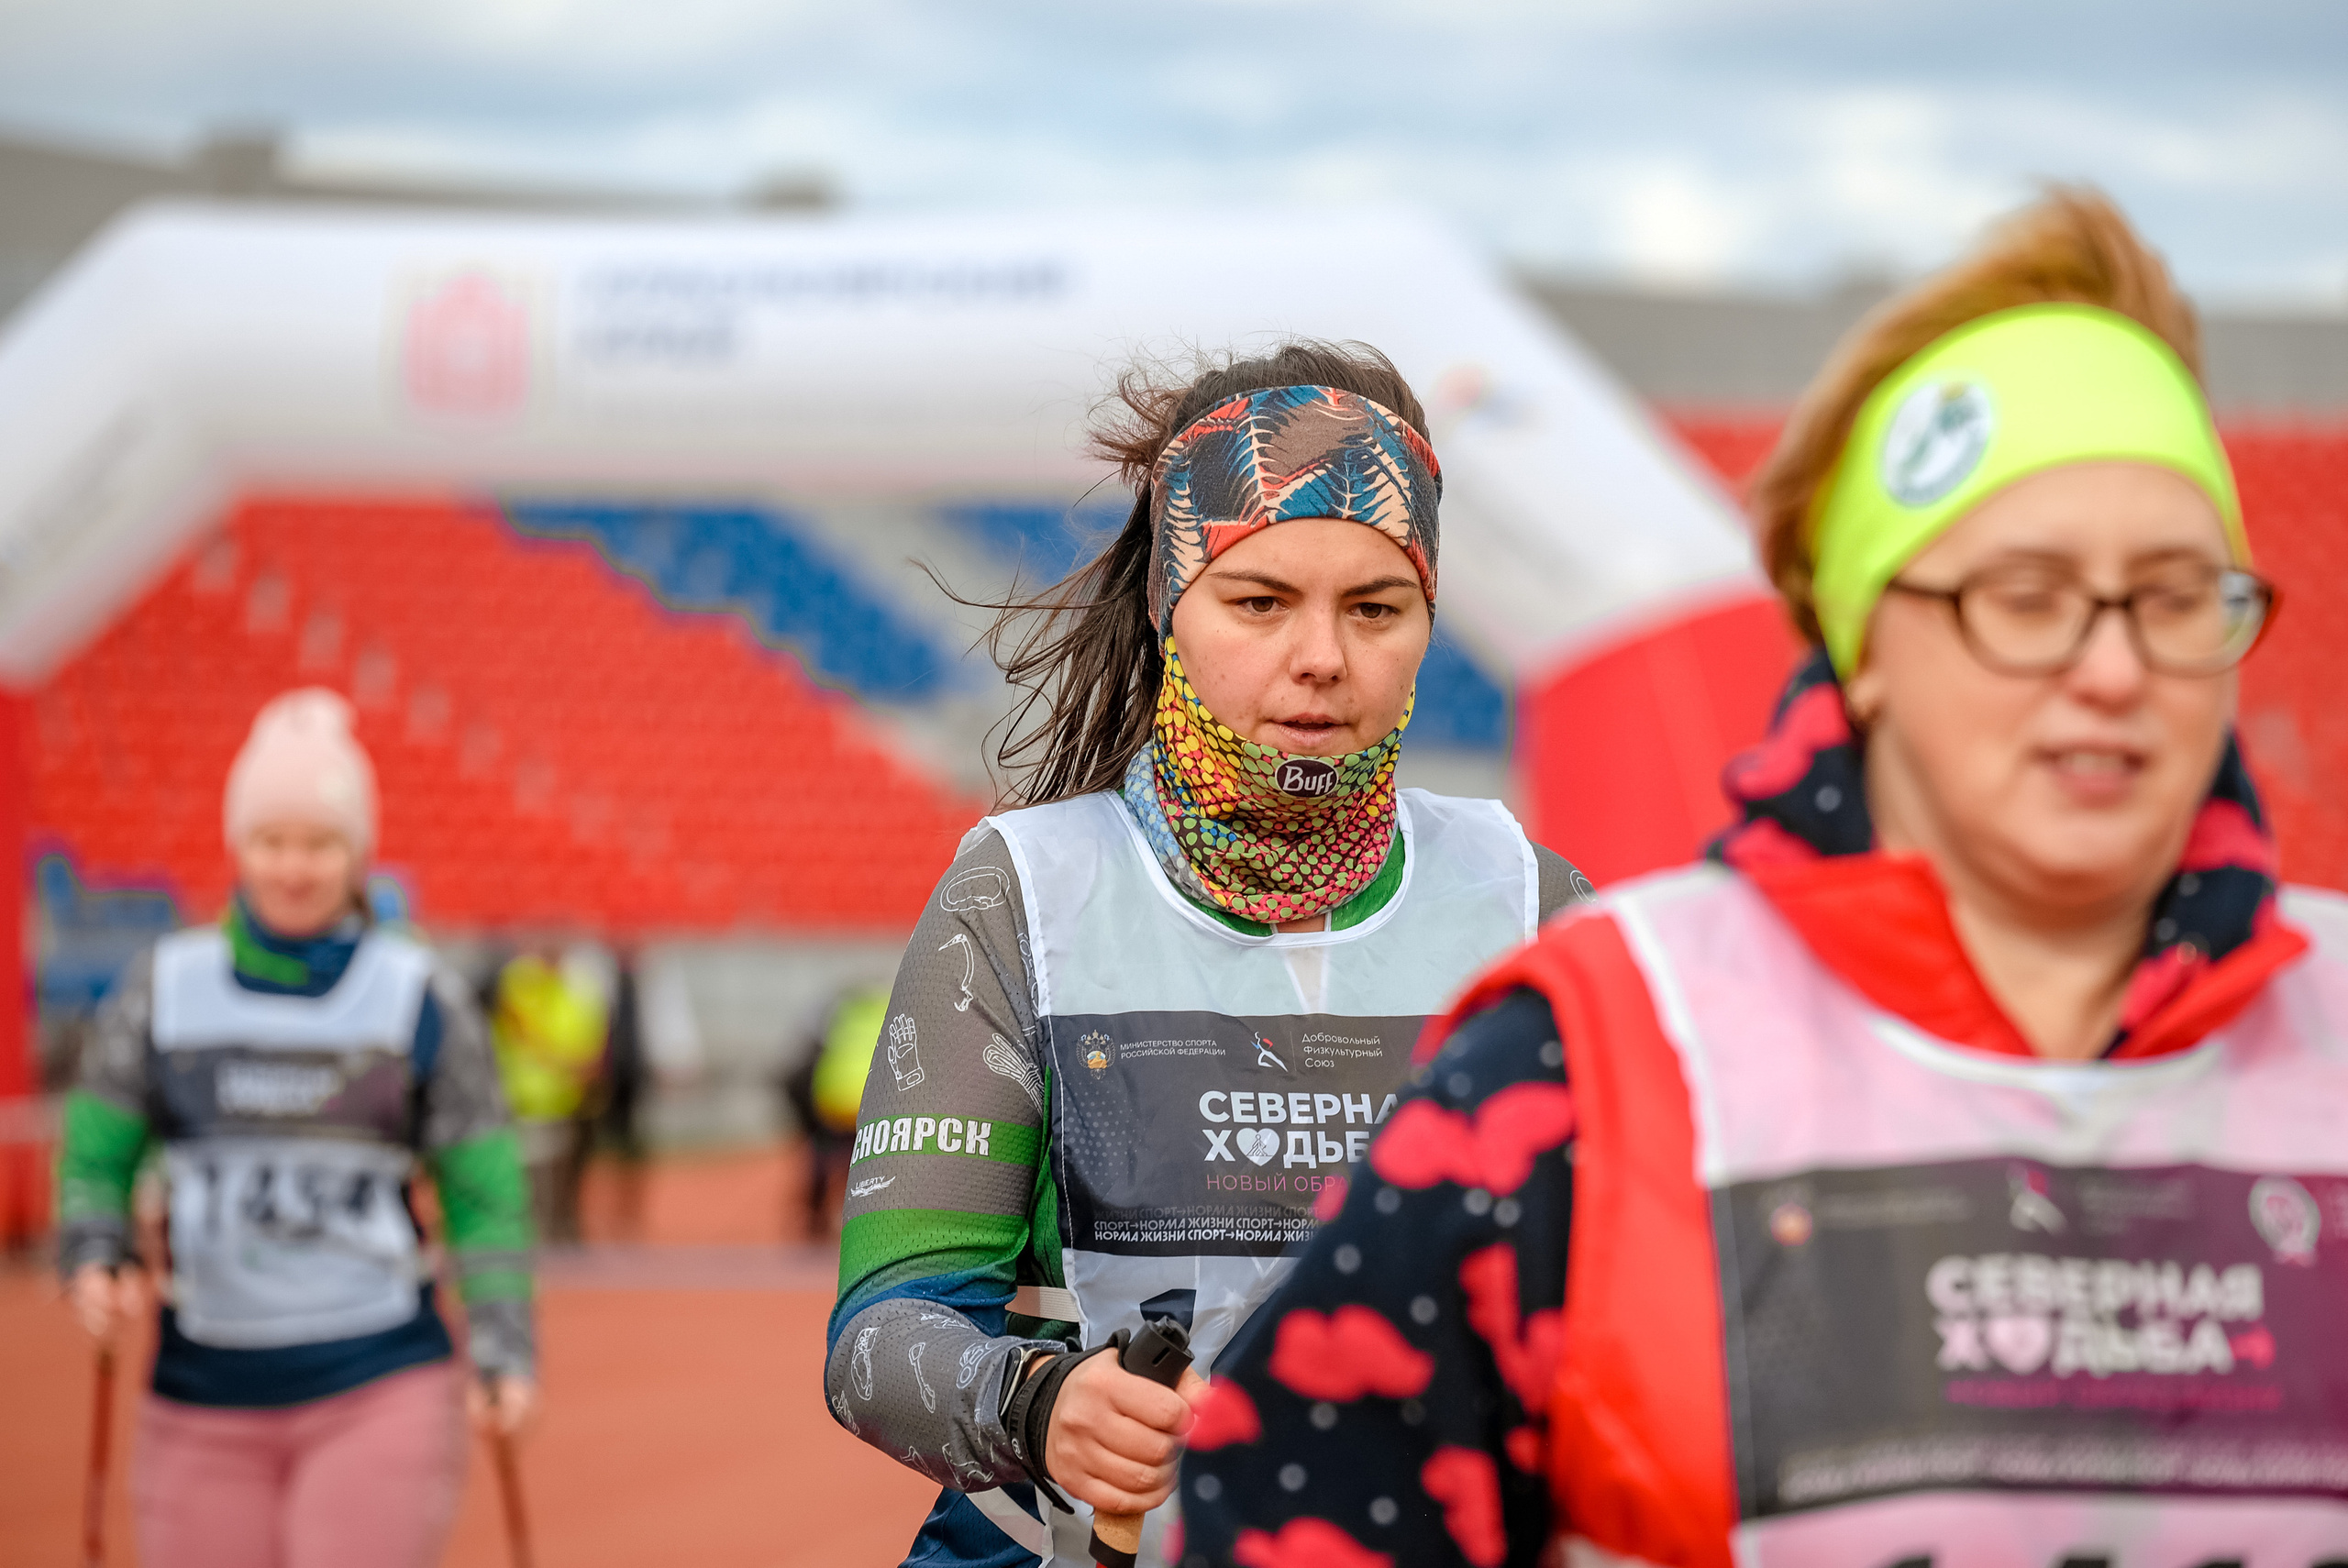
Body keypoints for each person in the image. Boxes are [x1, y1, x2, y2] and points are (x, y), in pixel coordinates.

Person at [1181, 188, 2348, 1566]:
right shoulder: (1576, 1069)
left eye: (2171, 596)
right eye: (2025, 597)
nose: (2112, 670)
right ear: (1864, 643)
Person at [824, 341, 1593, 1567]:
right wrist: (1041, 1403)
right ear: (1167, 605)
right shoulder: (1023, 890)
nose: (1323, 658)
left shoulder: (1530, 903)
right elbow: (881, 1333)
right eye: (1261, 600)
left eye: (1376, 607)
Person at [55, 688, 537, 1568]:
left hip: (378, 1377)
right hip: (199, 1391)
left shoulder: (419, 994)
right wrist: (94, 1250)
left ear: (357, 854)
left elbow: (484, 1191)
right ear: (239, 846)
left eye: (320, 843)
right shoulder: (164, 984)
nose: (294, 867)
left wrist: (503, 1343)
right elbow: (98, 1144)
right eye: (272, 841)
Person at [489, 941, 608, 1243]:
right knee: (535, 1173)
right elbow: (523, 1028)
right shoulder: (521, 983)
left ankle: (558, 1230)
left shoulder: (573, 987)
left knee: (561, 1173)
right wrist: (567, 1063)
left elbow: (587, 1034)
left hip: (564, 1098)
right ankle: (540, 1234)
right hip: (529, 1098)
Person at [782, 983, 889, 1241]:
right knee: (872, 1158)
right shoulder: (889, 1010)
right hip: (869, 1101)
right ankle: (873, 1217)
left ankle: (814, 1215)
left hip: (833, 1100)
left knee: (822, 1152)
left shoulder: (839, 1014)